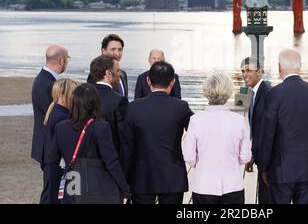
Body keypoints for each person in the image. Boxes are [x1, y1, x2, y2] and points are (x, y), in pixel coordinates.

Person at [259, 50, 308, 204]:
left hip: (281, 169)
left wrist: (264, 166)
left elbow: (268, 135)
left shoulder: (274, 94)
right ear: (300, 66)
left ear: (279, 67)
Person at [122, 61, 193, 204]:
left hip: (141, 175)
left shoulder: (133, 107)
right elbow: (197, 130)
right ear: (172, 82)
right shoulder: (181, 107)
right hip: (172, 176)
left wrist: (123, 180)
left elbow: (127, 147)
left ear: (148, 80)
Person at [49, 83, 130, 204]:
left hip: (72, 184)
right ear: (95, 103)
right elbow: (111, 162)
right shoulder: (101, 127)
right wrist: (124, 189)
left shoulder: (61, 127)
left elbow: (53, 160)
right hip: (94, 186)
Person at [183, 73, 252, 204]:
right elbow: (246, 156)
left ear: (206, 92)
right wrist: (230, 163)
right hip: (233, 185)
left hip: (204, 185)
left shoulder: (196, 120)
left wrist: (204, 164)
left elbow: (189, 157)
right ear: (228, 92)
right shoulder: (239, 120)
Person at [31, 44, 70, 204]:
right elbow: (53, 118)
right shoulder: (48, 84)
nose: (67, 62)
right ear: (61, 60)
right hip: (49, 147)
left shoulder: (44, 79)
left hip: (46, 145)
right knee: (50, 194)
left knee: (51, 192)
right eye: (68, 59)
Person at [42, 78, 78, 204]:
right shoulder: (63, 117)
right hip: (59, 165)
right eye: (74, 94)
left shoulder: (55, 110)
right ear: (64, 95)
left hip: (53, 163)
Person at [241, 57, 271, 204]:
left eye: (248, 70)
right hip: (260, 156)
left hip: (269, 162)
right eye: (242, 71)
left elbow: (267, 132)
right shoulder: (252, 92)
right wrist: (253, 154)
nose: (244, 74)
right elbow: (257, 129)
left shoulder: (267, 94)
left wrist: (265, 166)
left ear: (259, 72)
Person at [90, 55, 129, 157]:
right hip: (111, 155)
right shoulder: (119, 100)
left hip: (87, 157)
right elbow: (124, 136)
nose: (120, 74)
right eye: (118, 70)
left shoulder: (84, 96)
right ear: (108, 73)